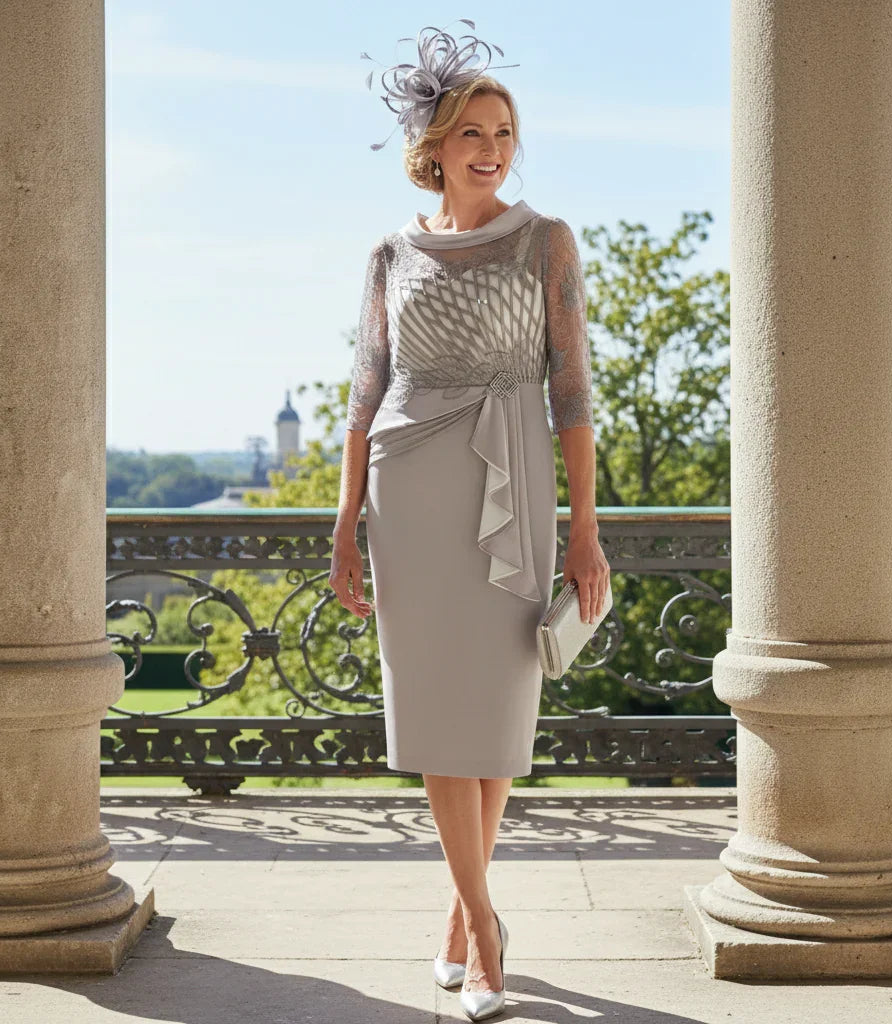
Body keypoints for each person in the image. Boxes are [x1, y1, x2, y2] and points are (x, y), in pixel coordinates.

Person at [331, 21, 610, 1022]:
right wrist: (343, 522)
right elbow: (362, 394)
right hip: (408, 489)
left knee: (492, 717)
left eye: (503, 130)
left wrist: (585, 530)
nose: (491, 147)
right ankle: (484, 928)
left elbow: (572, 394)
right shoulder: (386, 252)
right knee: (438, 714)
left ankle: (464, 918)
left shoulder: (549, 243)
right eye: (471, 132)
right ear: (435, 149)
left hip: (516, 479)